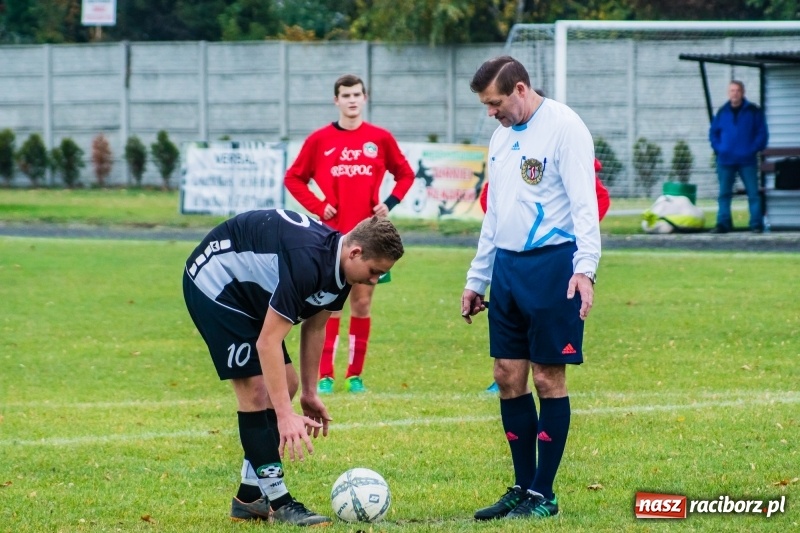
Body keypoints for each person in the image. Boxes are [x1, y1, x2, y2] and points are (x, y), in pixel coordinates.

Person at [183, 209, 404, 526]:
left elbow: (315, 328)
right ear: (355, 251)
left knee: (286, 385)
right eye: (374, 271)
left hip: (249, 291)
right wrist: (284, 417)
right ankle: (279, 502)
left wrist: (310, 393)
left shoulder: (341, 268)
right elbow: (267, 343)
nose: (374, 280)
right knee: (257, 392)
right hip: (216, 283)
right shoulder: (308, 262)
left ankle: (249, 498)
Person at [461, 56, 601, 521]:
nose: (491, 113)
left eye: (495, 103)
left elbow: (585, 205)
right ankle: (520, 487)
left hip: (552, 267)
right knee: (506, 375)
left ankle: (545, 493)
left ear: (520, 89)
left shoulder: (566, 128)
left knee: (547, 377)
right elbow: (494, 215)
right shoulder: (501, 138)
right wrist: (477, 279)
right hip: (507, 269)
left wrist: (586, 268)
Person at [284, 74, 415, 395]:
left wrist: (389, 203)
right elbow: (294, 178)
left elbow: (405, 174)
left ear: (365, 98)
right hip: (331, 241)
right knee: (329, 307)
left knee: (362, 305)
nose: (352, 100)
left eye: (357, 94)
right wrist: (319, 205)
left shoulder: (380, 138)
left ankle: (355, 375)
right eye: (346, 95)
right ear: (336, 101)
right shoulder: (320, 140)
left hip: (369, 240)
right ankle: (325, 376)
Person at [709, 80, 769, 233]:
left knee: (753, 194)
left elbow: (762, 133)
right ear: (728, 93)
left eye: (737, 90)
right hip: (725, 160)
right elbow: (713, 133)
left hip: (747, 160)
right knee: (724, 194)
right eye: (731, 91)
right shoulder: (722, 112)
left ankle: (756, 224)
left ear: (743, 92)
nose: (734, 94)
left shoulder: (753, 111)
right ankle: (723, 224)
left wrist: (752, 149)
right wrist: (720, 148)